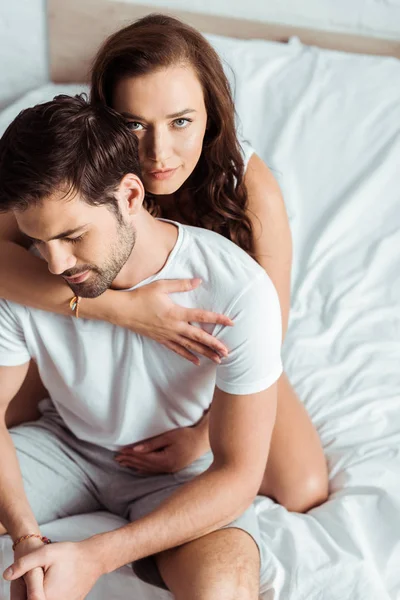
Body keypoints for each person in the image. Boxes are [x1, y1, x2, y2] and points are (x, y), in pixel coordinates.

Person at [1, 14, 328, 513]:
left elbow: (270, 321)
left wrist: (201, 436)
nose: (158, 152)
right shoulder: (73, 171)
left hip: (209, 353)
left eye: (181, 121)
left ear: (210, 114)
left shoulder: (250, 188)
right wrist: (121, 310)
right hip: (84, 320)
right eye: (133, 124)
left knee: (302, 487)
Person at [0, 94, 282, 599]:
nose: (55, 264)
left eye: (73, 236)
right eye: (40, 241)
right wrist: (26, 539)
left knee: (225, 587)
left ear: (130, 196)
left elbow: (239, 475)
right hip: (65, 445)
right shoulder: (26, 274)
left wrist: (95, 556)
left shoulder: (236, 289)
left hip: (179, 473)